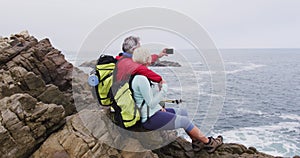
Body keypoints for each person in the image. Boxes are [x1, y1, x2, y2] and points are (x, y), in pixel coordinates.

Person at [131, 47, 223, 153]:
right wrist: (164, 88)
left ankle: (196, 141)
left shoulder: (143, 74)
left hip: (152, 112)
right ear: (147, 59)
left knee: (183, 112)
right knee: (184, 121)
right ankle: (209, 143)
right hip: (149, 118)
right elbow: (151, 103)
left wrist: (159, 107)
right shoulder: (141, 78)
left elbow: (147, 100)